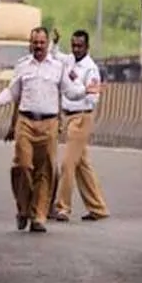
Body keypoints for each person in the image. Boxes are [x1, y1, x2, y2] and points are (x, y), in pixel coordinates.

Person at [0, 26, 99, 232]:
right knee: (23, 166)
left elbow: (71, 92)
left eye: (42, 43)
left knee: (46, 171)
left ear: (46, 44)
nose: (38, 46)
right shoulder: (23, 66)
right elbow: (12, 92)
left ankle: (38, 216)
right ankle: (23, 208)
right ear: (30, 44)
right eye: (35, 43)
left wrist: (85, 91)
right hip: (26, 122)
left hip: (49, 124)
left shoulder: (58, 67)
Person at [50, 30, 109, 222]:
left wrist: (79, 93)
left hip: (82, 117)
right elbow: (54, 56)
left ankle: (62, 207)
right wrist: (55, 43)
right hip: (68, 117)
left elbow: (93, 97)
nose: (76, 49)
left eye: (80, 46)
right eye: (73, 45)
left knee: (68, 163)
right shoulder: (68, 61)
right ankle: (98, 208)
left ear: (87, 47)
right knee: (82, 165)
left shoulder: (90, 69)